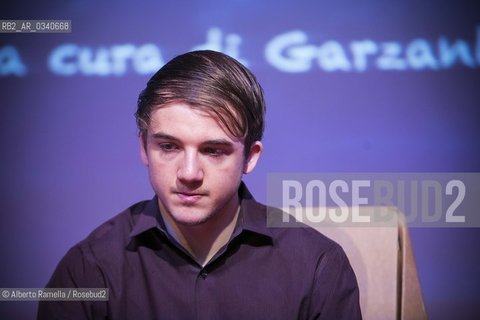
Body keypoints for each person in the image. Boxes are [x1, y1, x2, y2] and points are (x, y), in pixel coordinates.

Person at [37, 50, 361, 319]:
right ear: (143, 147)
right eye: (168, 147)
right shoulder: (88, 270)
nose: (189, 173)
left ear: (250, 157)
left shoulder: (317, 266)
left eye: (213, 151)